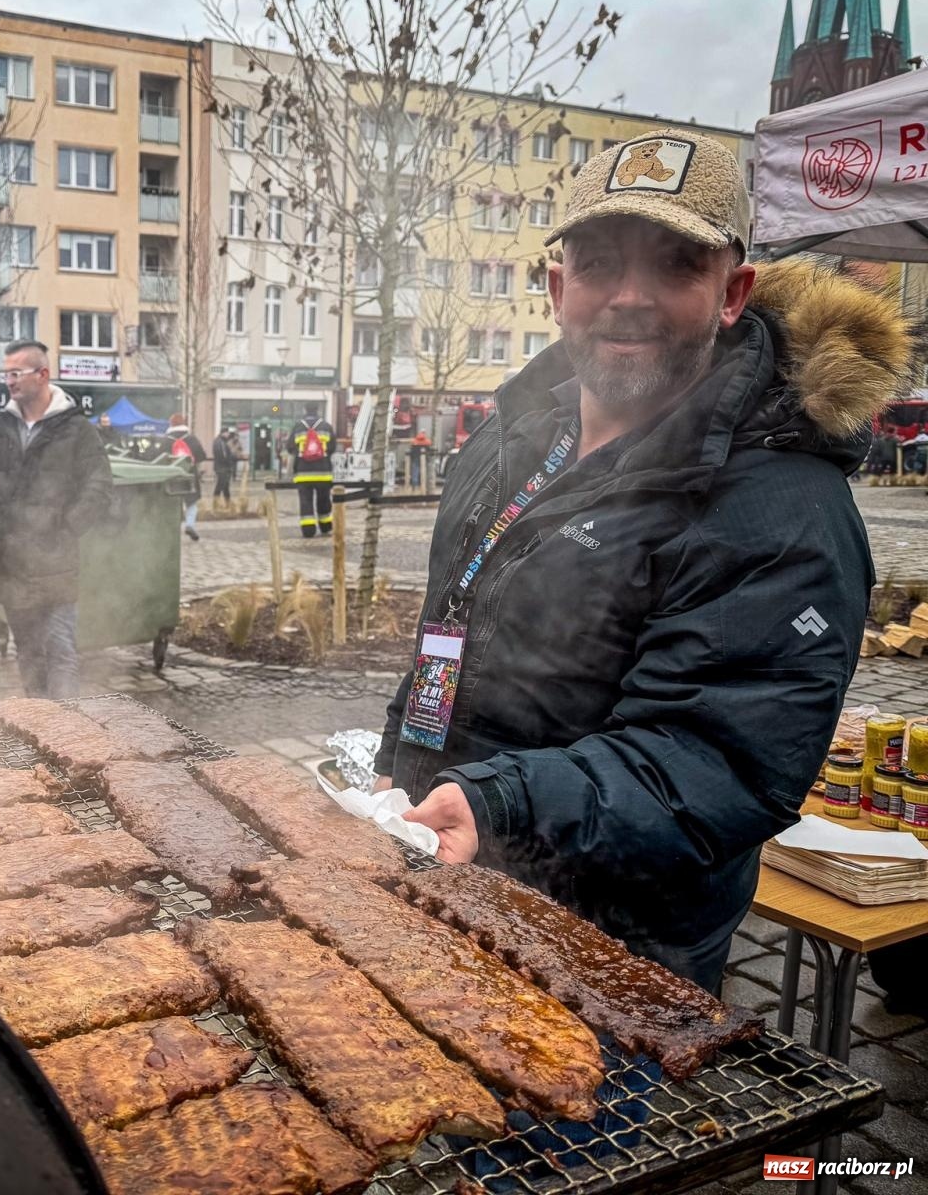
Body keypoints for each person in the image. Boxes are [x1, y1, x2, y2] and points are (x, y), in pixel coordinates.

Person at [374, 130, 902, 993]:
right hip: (453, 872)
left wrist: (499, 803)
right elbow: (451, 627)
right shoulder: (511, 435)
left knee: (560, 1127)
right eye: (598, 265)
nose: (630, 297)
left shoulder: (784, 507)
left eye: (675, 266)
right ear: (556, 287)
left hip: (615, 955)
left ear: (734, 292)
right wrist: (399, 764)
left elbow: (717, 761)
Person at [0, 339, 112, 699]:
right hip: (10, 561)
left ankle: (67, 741)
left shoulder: (76, 429)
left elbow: (99, 485)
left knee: (60, 650)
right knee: (28, 652)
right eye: (6, 374)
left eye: (16, 373)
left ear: (43, 374)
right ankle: (39, 732)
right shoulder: (1, 427)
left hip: (56, 562)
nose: (10, 381)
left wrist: (67, 528)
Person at [286, 411, 336, 537]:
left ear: (304, 410)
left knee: (305, 501)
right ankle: (325, 526)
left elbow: (290, 447)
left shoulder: (298, 427)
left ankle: (308, 529)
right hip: (323, 472)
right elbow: (332, 447)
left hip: (303, 473)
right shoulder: (326, 426)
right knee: (324, 500)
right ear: (317, 412)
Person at [166, 413, 207, 542]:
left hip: (171, 474)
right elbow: (201, 456)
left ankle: (172, 530)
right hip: (189, 474)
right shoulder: (191, 439)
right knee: (191, 502)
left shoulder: (166, 439)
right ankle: (190, 524)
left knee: (173, 502)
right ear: (184, 424)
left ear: (171, 424)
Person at [212, 429, 236, 506]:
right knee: (221, 485)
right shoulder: (220, 442)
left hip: (222, 467)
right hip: (223, 468)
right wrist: (229, 462)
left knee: (225, 486)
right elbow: (223, 456)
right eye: (227, 433)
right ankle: (216, 503)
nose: (228, 435)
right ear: (224, 433)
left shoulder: (220, 441)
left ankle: (227, 503)